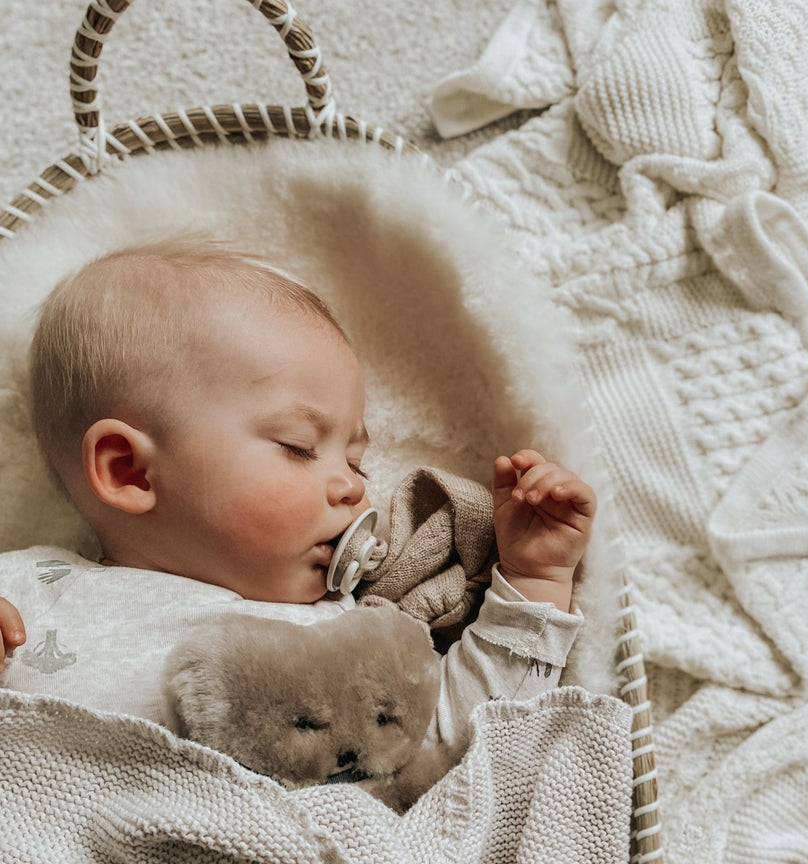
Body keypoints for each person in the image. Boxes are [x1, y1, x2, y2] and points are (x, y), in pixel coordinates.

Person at [0, 241, 595, 764]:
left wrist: (535, 577)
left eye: (354, 462)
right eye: (300, 447)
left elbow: (470, 744)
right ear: (129, 471)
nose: (355, 487)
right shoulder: (32, 591)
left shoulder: (346, 633)